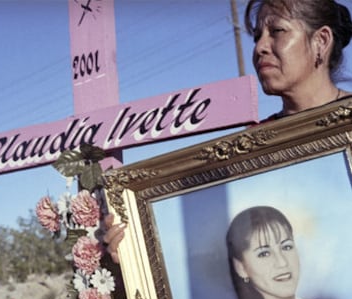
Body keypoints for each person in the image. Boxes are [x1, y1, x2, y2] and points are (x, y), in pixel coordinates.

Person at [104, 0, 352, 255]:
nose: (259, 48)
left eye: (277, 31)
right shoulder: (250, 146)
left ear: (321, 41)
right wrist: (135, 245)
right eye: (257, 37)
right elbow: (213, 237)